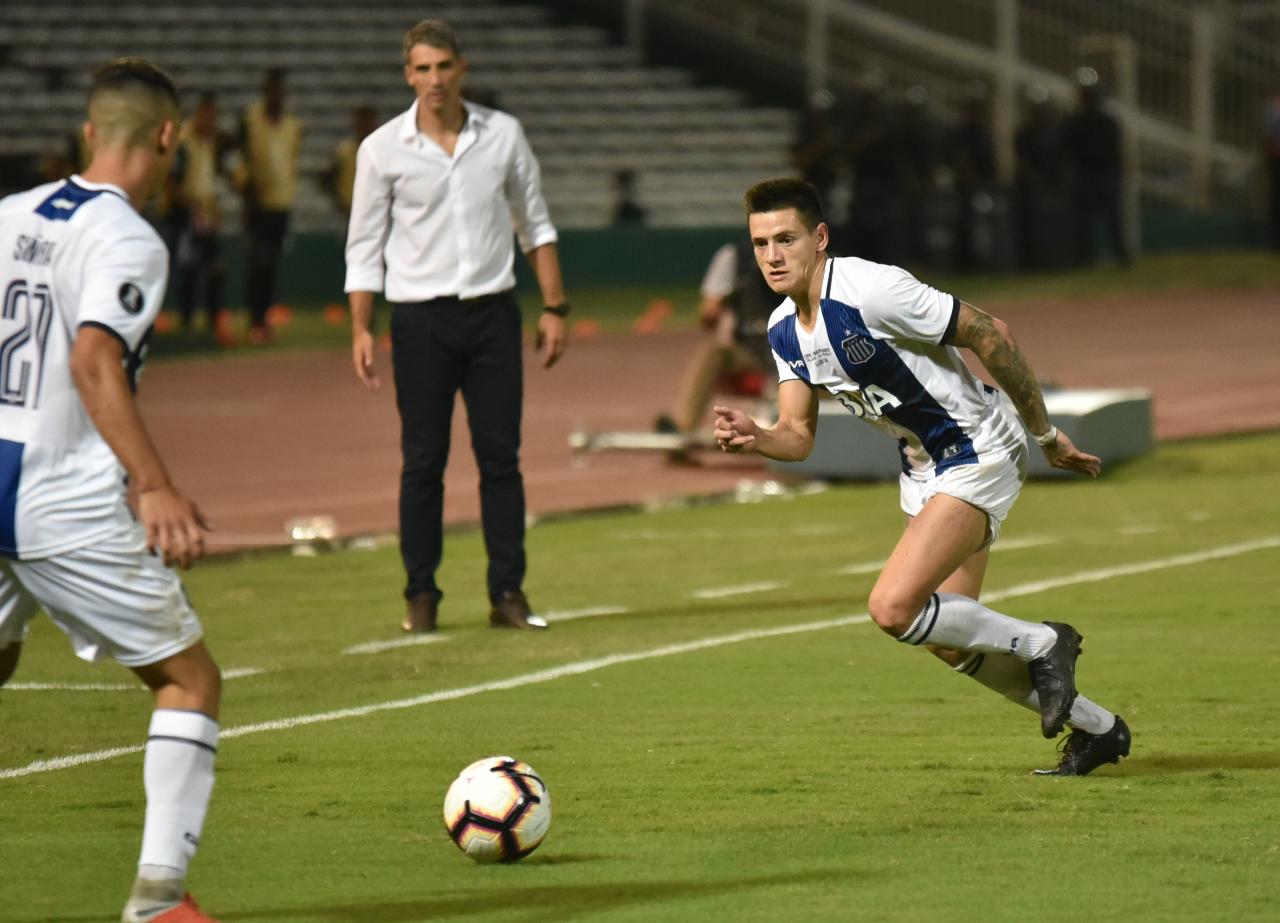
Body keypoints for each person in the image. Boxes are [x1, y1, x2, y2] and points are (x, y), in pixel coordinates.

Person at [714, 178, 1131, 776]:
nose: (773, 256)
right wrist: (756, 435)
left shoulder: (872, 289)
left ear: (820, 238)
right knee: (947, 637)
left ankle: (1045, 642)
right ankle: (1099, 730)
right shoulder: (785, 329)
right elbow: (797, 436)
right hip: (923, 469)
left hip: (977, 449)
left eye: (787, 239)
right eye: (760, 244)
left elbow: (992, 334)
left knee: (891, 606)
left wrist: (1042, 434)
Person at [0, 59, 221, 920]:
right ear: (169, 136)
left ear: (89, 132)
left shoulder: (10, 213)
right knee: (189, 680)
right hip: (55, 490)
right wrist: (155, 482)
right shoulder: (128, 238)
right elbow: (94, 359)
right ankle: (160, 901)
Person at [345, 19, 570, 633]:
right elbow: (363, 247)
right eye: (422, 68)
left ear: (461, 68)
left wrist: (554, 307)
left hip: (493, 314)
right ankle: (421, 596)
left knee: (501, 459)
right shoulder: (382, 149)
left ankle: (508, 594)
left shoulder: (502, 135)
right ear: (407, 75)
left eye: (444, 66)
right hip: (419, 320)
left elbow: (536, 224)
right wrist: (363, 328)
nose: (435, 79)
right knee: (422, 461)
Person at [655, 238, 776, 441]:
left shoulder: (738, 256)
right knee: (715, 352)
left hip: (794, 355)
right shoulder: (734, 257)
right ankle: (683, 431)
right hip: (752, 355)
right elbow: (709, 314)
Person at [234, 68, 301, 345]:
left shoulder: (292, 126)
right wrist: (243, 187)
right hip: (257, 205)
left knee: (271, 265)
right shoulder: (249, 120)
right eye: (271, 90)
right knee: (257, 264)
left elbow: (290, 162)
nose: (276, 96)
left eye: (279, 90)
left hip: (281, 204)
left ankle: (264, 320)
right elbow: (238, 156)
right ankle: (255, 321)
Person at [167, 92, 230, 343]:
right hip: (186, 217)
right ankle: (187, 323)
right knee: (189, 269)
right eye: (207, 116)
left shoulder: (210, 145)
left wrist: (212, 210)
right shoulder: (185, 144)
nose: (210, 121)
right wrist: (194, 208)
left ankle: (213, 322)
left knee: (215, 269)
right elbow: (173, 182)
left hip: (205, 215)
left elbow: (210, 182)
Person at [1062, 79, 1130, 267]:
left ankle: (1092, 257)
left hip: (1094, 176)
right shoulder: (1080, 122)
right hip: (1094, 176)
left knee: (1102, 220)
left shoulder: (1090, 121)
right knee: (1095, 221)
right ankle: (1102, 256)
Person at [325, 104, 378, 219]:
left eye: (367, 122)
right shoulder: (344, 150)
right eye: (361, 122)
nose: (364, 126)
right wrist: (338, 199)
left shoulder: (383, 151)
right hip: (350, 209)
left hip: (376, 210)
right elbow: (328, 176)